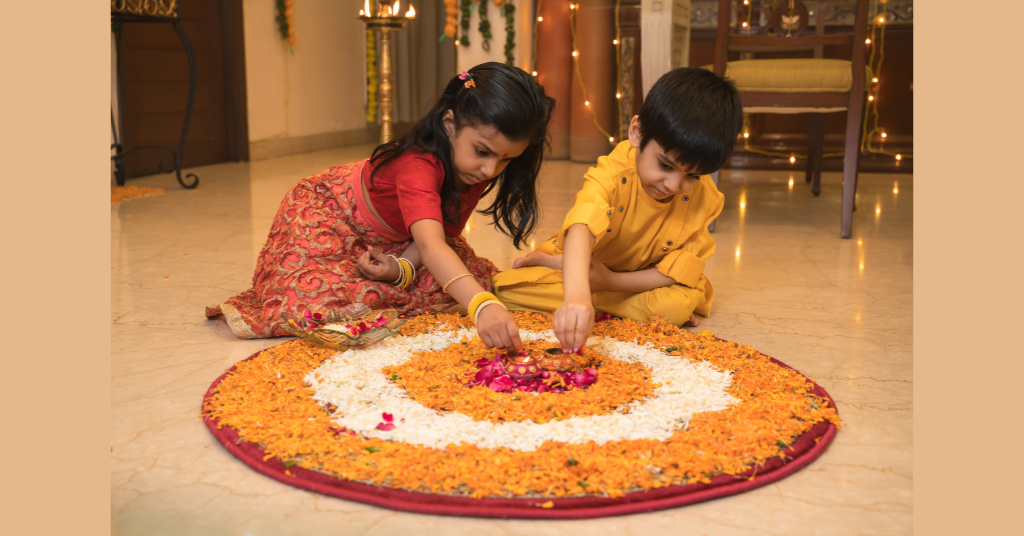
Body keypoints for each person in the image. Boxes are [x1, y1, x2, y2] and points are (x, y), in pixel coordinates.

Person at [207, 62, 554, 352]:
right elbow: (433, 245)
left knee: (468, 277)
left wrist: (402, 268)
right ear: (449, 124)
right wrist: (482, 307)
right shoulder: (418, 166)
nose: (490, 171)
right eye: (483, 151)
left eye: (505, 160)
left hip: (402, 235)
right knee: (311, 303)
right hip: (332, 215)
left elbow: (438, 235)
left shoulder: (474, 168)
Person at [492, 67, 743, 352]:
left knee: (678, 303)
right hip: (589, 267)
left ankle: (582, 281)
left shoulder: (705, 196)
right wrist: (577, 297)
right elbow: (581, 228)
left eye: (692, 176)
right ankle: (575, 276)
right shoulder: (613, 173)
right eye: (665, 165)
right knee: (503, 287)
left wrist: (607, 281)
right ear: (637, 132)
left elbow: (677, 273)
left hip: (638, 280)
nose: (674, 185)